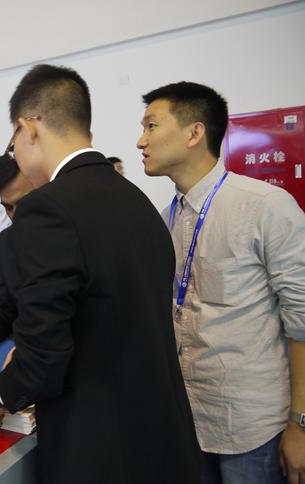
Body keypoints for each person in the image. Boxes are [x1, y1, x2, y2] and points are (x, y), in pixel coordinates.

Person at [0, 64, 201, 483]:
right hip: (162, 435)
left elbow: (43, 358)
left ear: (28, 128)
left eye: (14, 142)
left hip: (101, 449)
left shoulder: (47, 209)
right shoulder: (137, 199)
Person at [137, 81, 305, 484]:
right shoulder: (165, 218)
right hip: (190, 421)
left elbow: (301, 323)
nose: (141, 141)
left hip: (253, 428)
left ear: (195, 133)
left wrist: (300, 423)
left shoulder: (264, 207)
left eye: (151, 126)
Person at [0, 154, 33, 347]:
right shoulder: (4, 244)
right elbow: (5, 306)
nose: (17, 215)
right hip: (29, 353)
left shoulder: (72, 233)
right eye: (8, 207)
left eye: (24, 203)